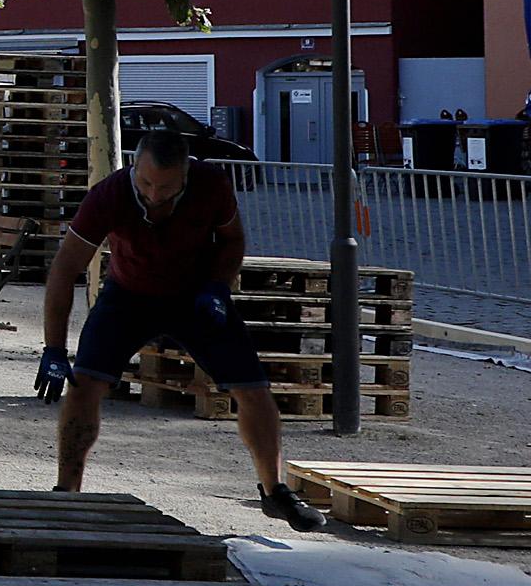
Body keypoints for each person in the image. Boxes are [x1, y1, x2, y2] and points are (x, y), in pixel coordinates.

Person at [36, 130, 327, 529]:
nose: (155, 195)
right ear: (134, 167)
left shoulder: (211, 185)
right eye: (147, 183)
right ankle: (67, 489)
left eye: (167, 187)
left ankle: (275, 490)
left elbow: (232, 240)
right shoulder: (108, 195)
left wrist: (218, 288)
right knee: (85, 383)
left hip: (196, 296)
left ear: (186, 173)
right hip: (128, 296)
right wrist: (53, 349)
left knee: (253, 389)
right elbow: (65, 268)